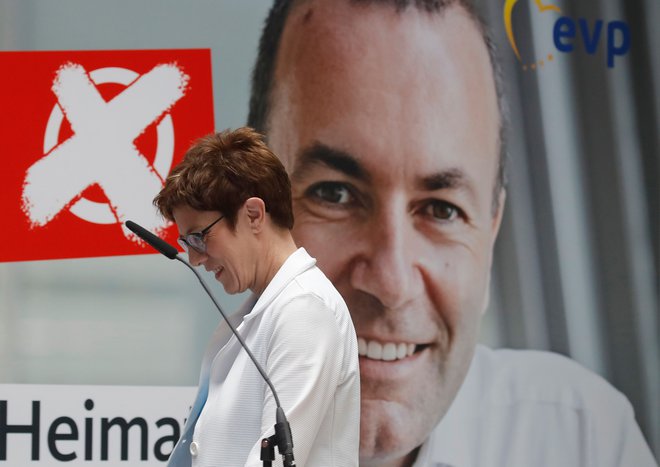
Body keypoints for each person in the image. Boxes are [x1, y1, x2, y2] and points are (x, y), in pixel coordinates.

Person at [247, 0, 658, 466]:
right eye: (334, 194)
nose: (391, 282)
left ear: (491, 233)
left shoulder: (580, 440)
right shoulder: (159, 437)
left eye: (442, 209)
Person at [153, 127, 360, 466]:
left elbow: (276, 461)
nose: (195, 258)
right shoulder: (258, 315)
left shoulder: (305, 310)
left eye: (199, 237)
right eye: (186, 243)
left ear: (253, 214)